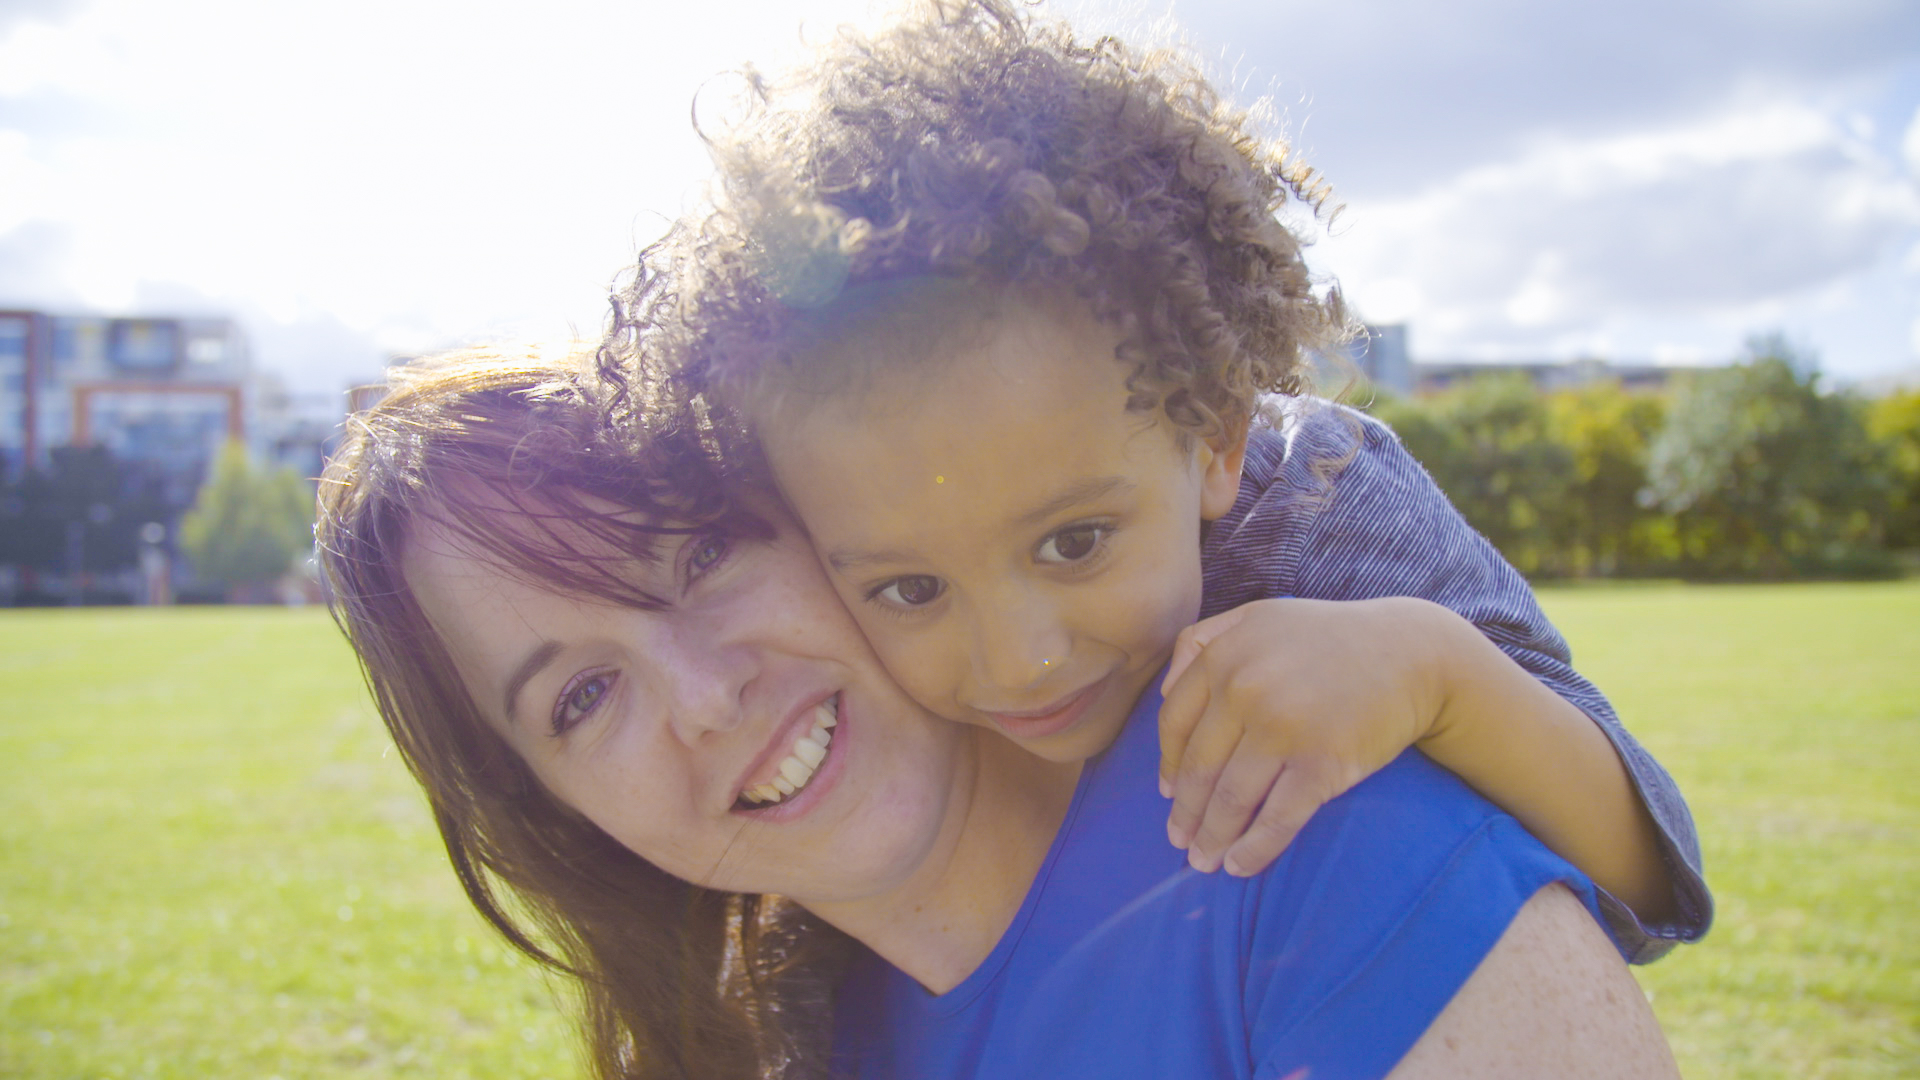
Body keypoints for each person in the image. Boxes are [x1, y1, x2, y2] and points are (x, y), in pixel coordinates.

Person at [616, 0, 1708, 960]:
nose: (1020, 657)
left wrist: (1430, 674)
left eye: (1075, 541)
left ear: (1217, 436)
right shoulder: (847, 650)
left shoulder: (1323, 510)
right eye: (912, 589)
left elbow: (1652, 880)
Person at [317, 344, 1678, 1080]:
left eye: (701, 555)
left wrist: (1436, 669)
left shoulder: (1301, 822)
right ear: (557, 813)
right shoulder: (779, 1038)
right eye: (582, 696)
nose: (705, 695)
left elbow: (1648, 862)